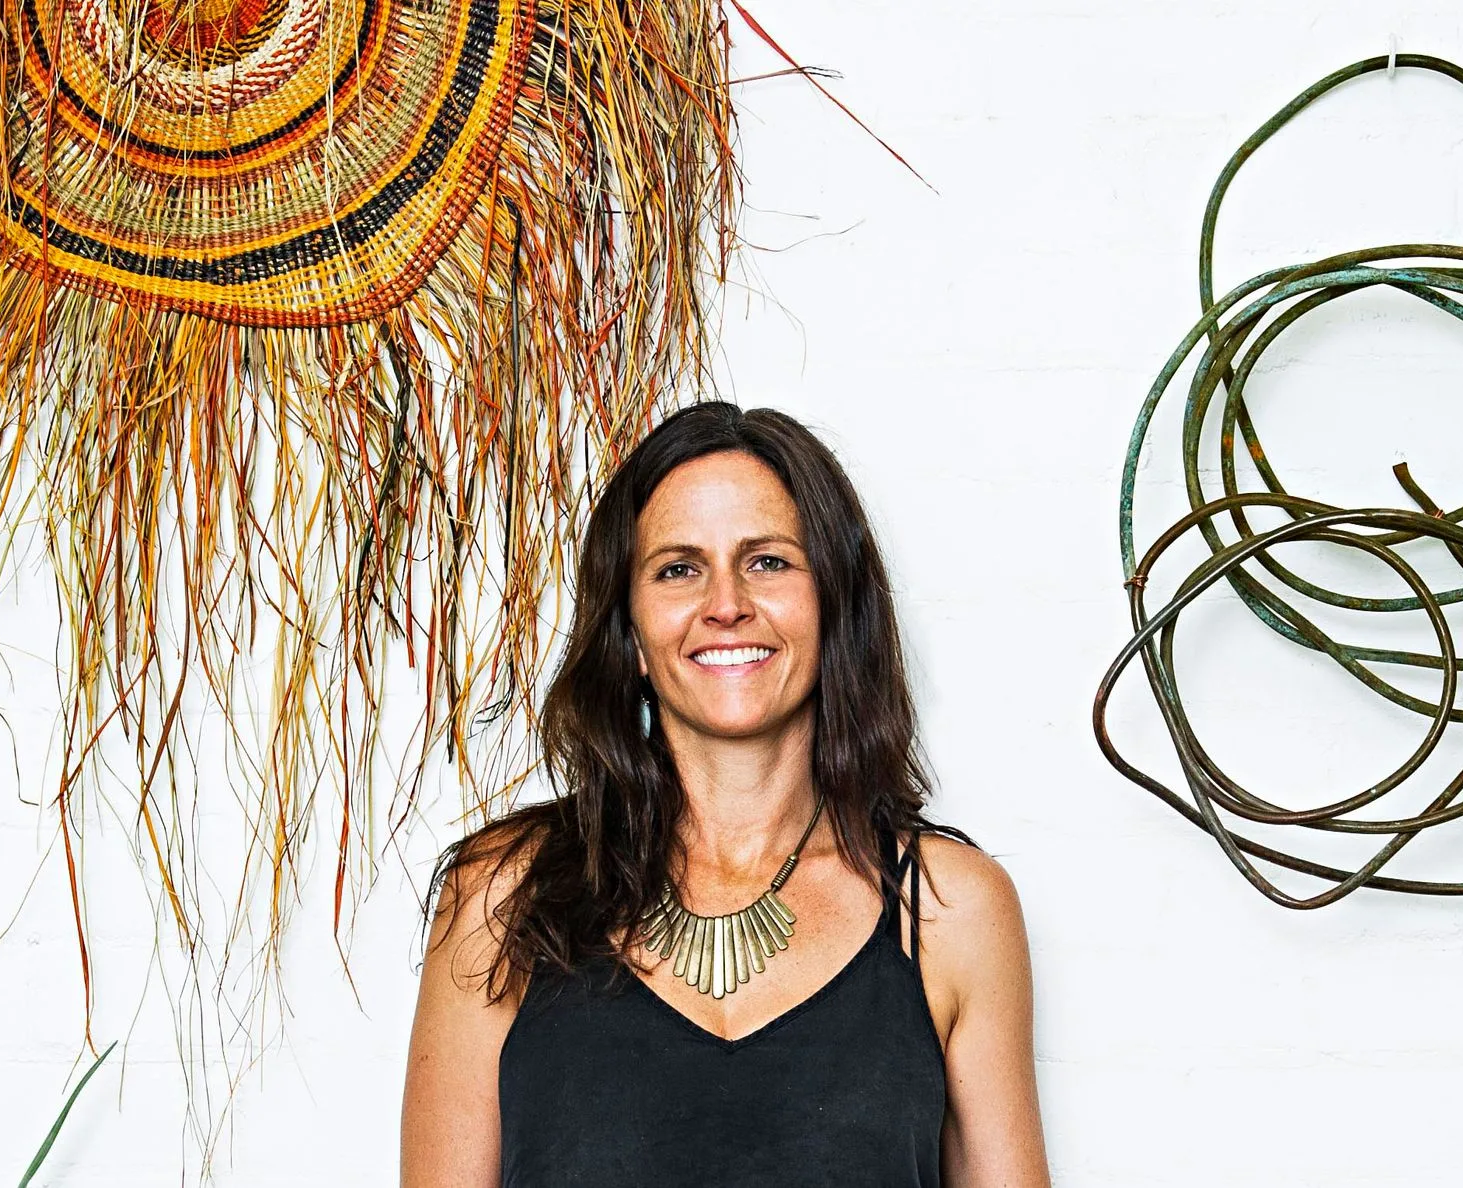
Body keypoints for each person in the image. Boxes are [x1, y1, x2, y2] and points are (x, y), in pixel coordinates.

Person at [399, 402, 1050, 1186]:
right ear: (631, 633)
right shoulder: (502, 896)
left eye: (768, 561)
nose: (726, 603)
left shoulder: (949, 910)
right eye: (678, 568)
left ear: (833, 603)